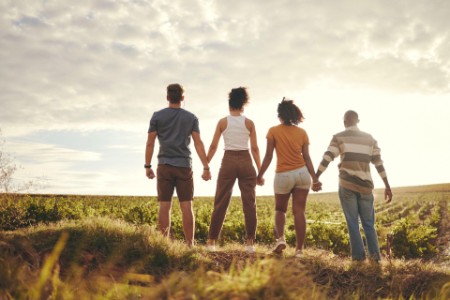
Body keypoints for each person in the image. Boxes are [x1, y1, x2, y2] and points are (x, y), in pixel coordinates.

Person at [314, 110, 393, 261]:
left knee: (352, 223)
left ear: (344, 122)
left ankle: (358, 258)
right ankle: (375, 258)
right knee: (369, 224)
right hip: (366, 187)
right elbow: (379, 164)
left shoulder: (339, 137)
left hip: (347, 185)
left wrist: (317, 176)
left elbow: (327, 157)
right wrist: (387, 186)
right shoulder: (370, 139)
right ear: (358, 121)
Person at [145, 83, 211, 247]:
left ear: (167, 97)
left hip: (164, 166)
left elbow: (150, 143)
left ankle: (163, 245)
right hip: (184, 167)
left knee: (164, 206)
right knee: (186, 206)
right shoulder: (191, 118)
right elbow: (198, 144)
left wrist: (147, 166)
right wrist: (206, 167)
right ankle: (190, 245)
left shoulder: (157, 116)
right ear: (182, 98)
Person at [257, 98, 320, 257]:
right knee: (299, 212)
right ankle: (299, 250)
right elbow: (307, 157)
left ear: (280, 115)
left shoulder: (273, 131)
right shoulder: (302, 133)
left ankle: (280, 239)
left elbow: (269, 156)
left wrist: (260, 174)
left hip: (283, 175)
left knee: (280, 209)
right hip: (302, 174)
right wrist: (315, 178)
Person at [206, 87, 261, 254]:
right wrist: (261, 170)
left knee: (221, 201)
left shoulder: (223, 122)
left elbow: (214, 146)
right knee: (249, 203)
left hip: (228, 160)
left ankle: (211, 242)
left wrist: (205, 165)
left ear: (229, 105)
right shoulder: (249, 123)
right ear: (243, 106)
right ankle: (250, 243)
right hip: (246, 161)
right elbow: (255, 149)